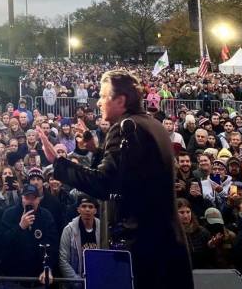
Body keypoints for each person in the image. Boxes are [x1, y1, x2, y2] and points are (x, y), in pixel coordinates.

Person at [40, 69, 193, 289]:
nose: (99, 102)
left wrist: (59, 164)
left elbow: (105, 183)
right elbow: (128, 174)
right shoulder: (152, 125)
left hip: (143, 250)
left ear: (120, 100)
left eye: (103, 96)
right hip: (165, 244)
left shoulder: (125, 128)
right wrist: (96, 150)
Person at [0, 183, 59, 286]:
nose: (30, 201)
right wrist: (20, 227)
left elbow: (52, 245)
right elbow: (1, 243)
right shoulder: (9, 214)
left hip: (39, 279)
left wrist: (47, 268)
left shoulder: (46, 216)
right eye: (27, 197)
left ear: (38, 200)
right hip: (14, 279)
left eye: (33, 198)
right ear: (22, 198)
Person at [59, 195, 101, 283]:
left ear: (95, 210)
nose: (87, 210)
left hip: (98, 279)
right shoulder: (68, 230)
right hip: (77, 281)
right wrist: (77, 282)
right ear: (78, 209)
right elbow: (63, 260)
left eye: (90, 207)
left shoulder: (103, 229)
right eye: (84, 206)